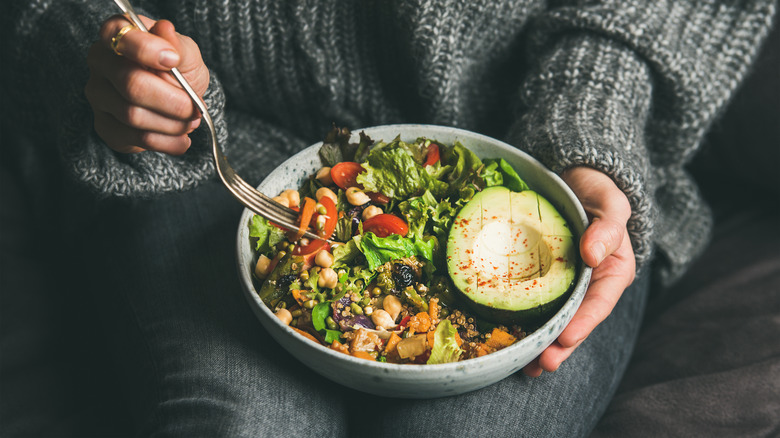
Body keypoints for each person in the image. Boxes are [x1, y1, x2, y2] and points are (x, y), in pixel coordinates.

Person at [1, 0, 775, 436]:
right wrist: (106, 59)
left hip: (536, 162)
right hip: (203, 162)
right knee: (245, 423)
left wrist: (589, 118)